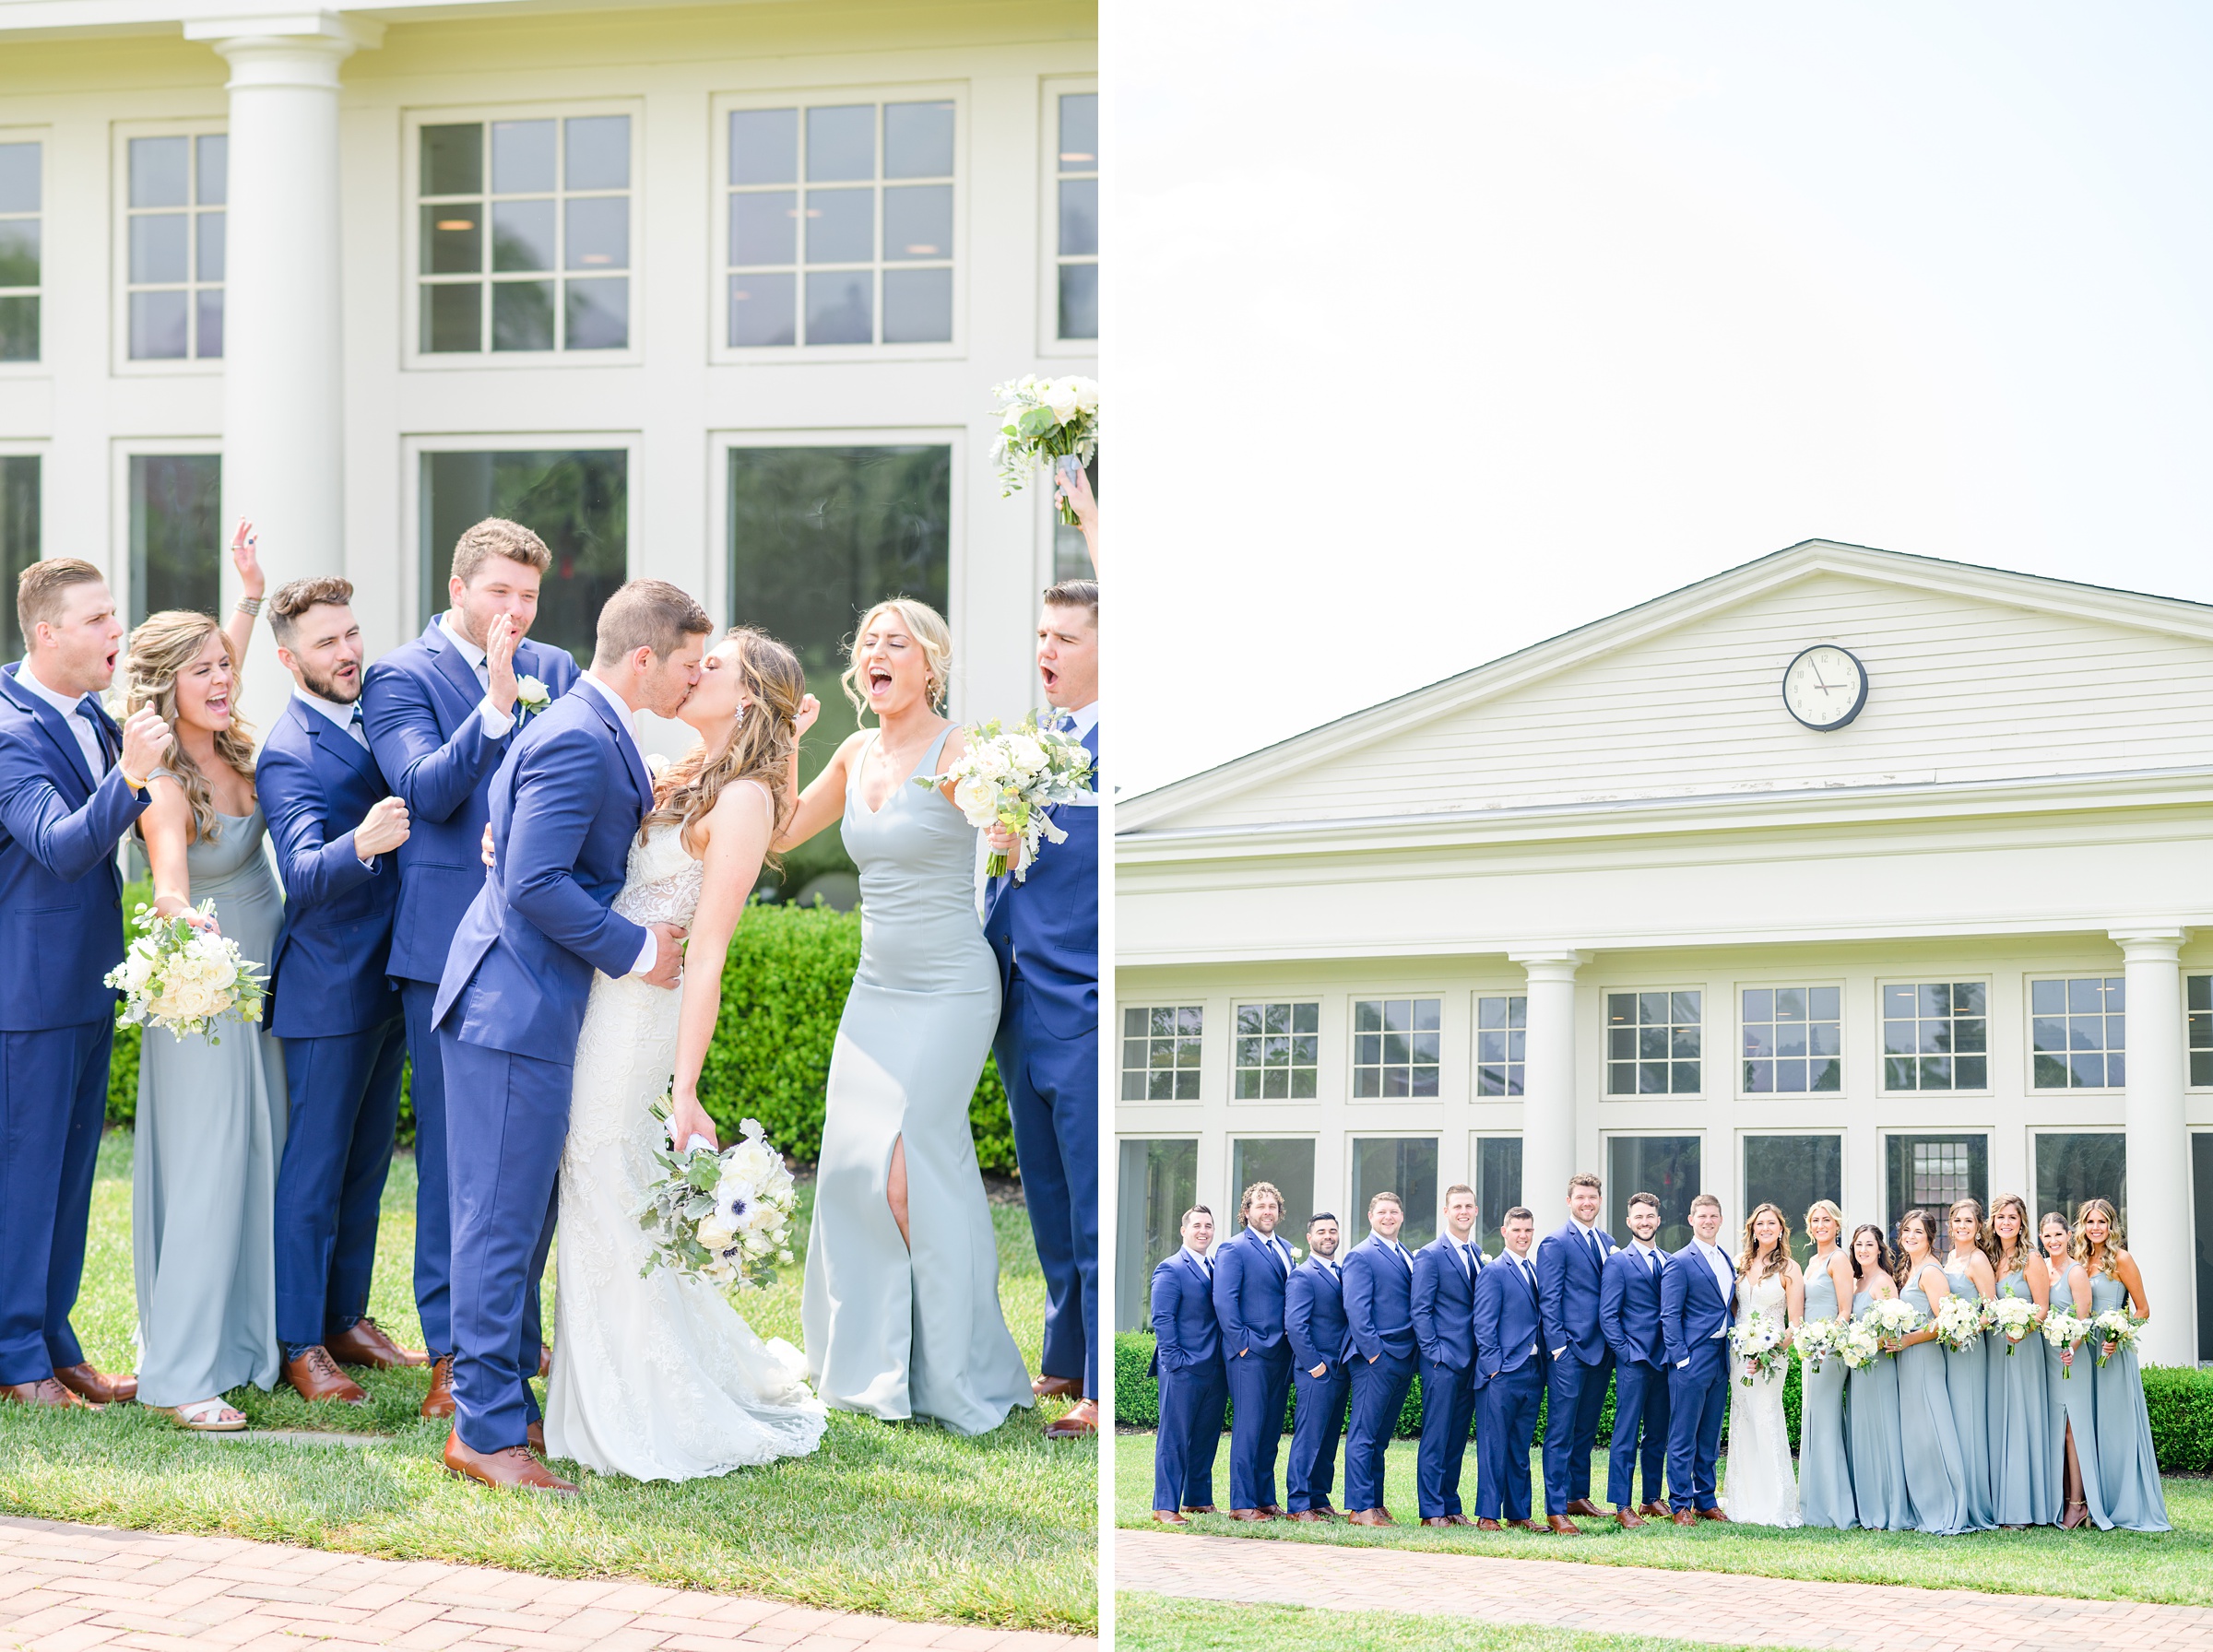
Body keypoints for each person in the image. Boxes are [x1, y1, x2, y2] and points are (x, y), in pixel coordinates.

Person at [533, 627, 829, 1481]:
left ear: (744, 697)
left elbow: (710, 949)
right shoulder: (676, 770)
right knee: (595, 1177)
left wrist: (687, 1087)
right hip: (602, 993)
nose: (694, 671)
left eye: (715, 667)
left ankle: (636, 1402)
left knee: (606, 1170)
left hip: (642, 1021)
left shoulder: (740, 800)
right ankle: (597, 1386)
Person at [432, 580, 703, 1493]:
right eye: (689, 663)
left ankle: (505, 1409)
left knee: (521, 1220)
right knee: (497, 1226)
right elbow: (534, 883)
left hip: (533, 1010)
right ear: (643, 659)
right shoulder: (581, 738)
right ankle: (483, 1432)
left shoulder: (592, 730)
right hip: (511, 1010)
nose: (695, 678)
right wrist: (638, 950)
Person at [780, 598, 1031, 1434]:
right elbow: (778, 831)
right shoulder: (853, 753)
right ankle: (868, 1365)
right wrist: (785, 741)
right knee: (854, 1170)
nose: (876, 653)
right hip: (875, 989)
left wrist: (1005, 828)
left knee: (910, 1167)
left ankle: (952, 1369)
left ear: (931, 664)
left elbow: (1009, 841)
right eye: (868, 644)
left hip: (952, 986)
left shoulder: (963, 752)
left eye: (896, 643)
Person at [361, 518, 580, 1420]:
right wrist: (494, 703)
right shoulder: (400, 677)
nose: (515, 612)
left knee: (537, 1163)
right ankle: (454, 1353)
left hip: (546, 946)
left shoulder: (561, 670)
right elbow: (425, 791)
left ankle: (515, 1345)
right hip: (446, 952)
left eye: (528, 596)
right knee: (462, 1164)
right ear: (458, 588)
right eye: (500, 593)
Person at [128, 526, 287, 1432]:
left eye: (226, 667)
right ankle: (185, 1373)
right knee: (206, 1166)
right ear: (166, 690)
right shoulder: (164, 784)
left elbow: (226, 656)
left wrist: (251, 596)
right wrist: (187, 922)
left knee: (255, 1158)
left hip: (266, 981)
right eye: (203, 674)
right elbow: (170, 884)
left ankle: (240, 1345)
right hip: (205, 990)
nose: (223, 681)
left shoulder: (235, 743)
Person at [0, 559, 169, 1410]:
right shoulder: (5, 730)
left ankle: (54, 1340)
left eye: (114, 615)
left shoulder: (90, 715)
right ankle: (14, 1360)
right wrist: (130, 774)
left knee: (68, 1176)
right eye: (99, 620)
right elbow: (62, 846)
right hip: (25, 998)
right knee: (24, 1179)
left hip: (87, 985)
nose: (116, 631)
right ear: (47, 634)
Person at [257, 577, 421, 1404]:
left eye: (352, 633)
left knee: (366, 1168)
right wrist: (360, 842)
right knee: (314, 1174)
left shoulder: (385, 712)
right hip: (327, 993)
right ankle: (297, 1343)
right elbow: (300, 874)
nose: (349, 651)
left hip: (392, 979)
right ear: (290, 658)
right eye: (327, 643)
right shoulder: (287, 751)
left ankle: (345, 1320)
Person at [983, 580, 1098, 1439]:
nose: (1044, 651)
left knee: (1093, 1198)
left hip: (1087, 1000)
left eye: (1063, 636)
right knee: (1048, 1190)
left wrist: (1089, 509)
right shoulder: (1041, 742)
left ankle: (1101, 1384)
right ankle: (1064, 1357)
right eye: (1040, 635)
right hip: (1020, 998)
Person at [2075, 1198, 2170, 1531]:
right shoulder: (2078, 1259)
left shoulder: (2122, 1259)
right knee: (2088, 1424)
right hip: (2083, 1346)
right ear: (2082, 1226)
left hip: (2113, 1350)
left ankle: (2125, 1503)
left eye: (2102, 1222)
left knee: (2115, 1427)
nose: (2096, 1228)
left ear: (2112, 1225)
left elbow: (2142, 1309)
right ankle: (2091, 1501)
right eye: (2090, 1222)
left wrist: (2119, 1332)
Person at [1886, 1209, 1980, 1533]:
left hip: (1923, 1357)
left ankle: (1946, 1504)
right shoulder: (1909, 1269)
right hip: (1907, 1358)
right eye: (1906, 1231)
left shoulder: (1930, 1271)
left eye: (1918, 1232)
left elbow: (1944, 1321)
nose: (1910, 1236)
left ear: (1929, 1238)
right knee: (1916, 1435)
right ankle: (1923, 1502)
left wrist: (1909, 1340)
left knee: (1932, 1432)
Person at [1534, 1172, 1615, 1531]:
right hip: (1568, 1353)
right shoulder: (1555, 1243)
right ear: (1569, 1201)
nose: (1587, 1202)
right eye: (1580, 1197)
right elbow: (1549, 1301)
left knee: (1585, 1430)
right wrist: (1558, 1348)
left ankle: (1577, 1496)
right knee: (1561, 1431)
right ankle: (1555, 1508)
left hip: (1601, 1352)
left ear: (1600, 1200)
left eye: (1593, 1197)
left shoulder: (1608, 1240)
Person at [1213, 1180, 1295, 1519]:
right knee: (1248, 1428)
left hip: (1282, 1353)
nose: (1267, 1211)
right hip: (1250, 1354)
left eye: (1272, 1206)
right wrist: (1243, 1345)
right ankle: (1242, 1504)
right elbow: (1224, 1301)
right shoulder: (1234, 1249)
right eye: (1260, 1206)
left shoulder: (1286, 1247)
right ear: (1246, 1212)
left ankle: (1265, 1498)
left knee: (1271, 1429)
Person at [1339, 1191, 1418, 1527]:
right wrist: (1374, 1353)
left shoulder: (1406, 1254)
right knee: (1364, 1433)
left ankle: (1375, 1502)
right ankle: (1359, 1507)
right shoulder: (1361, 1255)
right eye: (1382, 1212)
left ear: (1402, 1217)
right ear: (1370, 1216)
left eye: (1394, 1212)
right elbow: (1356, 1309)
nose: (1389, 1217)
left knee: (1381, 1437)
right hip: (1375, 1357)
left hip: (1402, 1356)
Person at [1722, 1202, 1801, 1527]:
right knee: (1743, 1419)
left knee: (1766, 1417)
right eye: (1759, 1224)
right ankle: (1743, 1499)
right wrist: (1746, 1349)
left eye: (1771, 1223)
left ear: (1781, 1229)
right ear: (1752, 1230)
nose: (1765, 1228)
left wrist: (1767, 1353)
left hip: (1772, 1358)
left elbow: (1795, 1323)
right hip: (1739, 1355)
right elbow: (1734, 1311)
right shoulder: (1739, 1264)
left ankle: (1776, 1502)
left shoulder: (1790, 1269)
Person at [1659, 1192, 1734, 1525]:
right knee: (1683, 1435)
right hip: (1692, 1358)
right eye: (1701, 1216)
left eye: (1713, 1216)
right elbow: (1669, 1315)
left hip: (1720, 1357)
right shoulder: (1680, 1261)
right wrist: (1681, 1359)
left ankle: (1706, 1499)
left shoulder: (1727, 1259)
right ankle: (1679, 1504)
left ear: (1720, 1219)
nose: (1708, 1221)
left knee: (1710, 1436)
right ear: (1691, 1220)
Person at [1597, 1190, 1670, 1527]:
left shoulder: (1670, 1261)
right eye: (1638, 1217)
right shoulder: (1618, 1262)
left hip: (1665, 1360)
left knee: (1657, 1433)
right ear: (1629, 1222)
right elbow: (1608, 1316)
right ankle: (1622, 1504)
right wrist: (1627, 1354)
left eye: (1650, 1216)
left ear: (1658, 1219)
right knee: (1625, 1433)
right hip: (1634, 1360)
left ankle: (1651, 1498)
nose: (1644, 1222)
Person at [1410, 1183, 1482, 1527]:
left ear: (1476, 1211)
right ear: (1446, 1211)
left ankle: (1451, 1506)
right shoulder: (1430, 1254)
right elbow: (1420, 1310)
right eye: (1457, 1207)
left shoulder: (1477, 1252)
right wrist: (1435, 1353)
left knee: (1456, 1439)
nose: (1464, 1212)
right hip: (1443, 1361)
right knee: (1436, 1437)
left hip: (1472, 1363)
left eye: (1469, 1206)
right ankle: (1431, 1511)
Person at [1471, 1205, 1545, 1531]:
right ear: (1504, 1232)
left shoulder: (1535, 1270)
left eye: (1528, 1230)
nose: (1523, 1236)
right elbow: (1483, 1324)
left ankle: (1518, 1514)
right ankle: (1487, 1515)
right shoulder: (1494, 1271)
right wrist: (1494, 1369)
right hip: (1501, 1375)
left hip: (1532, 1370)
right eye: (1517, 1230)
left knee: (1519, 1447)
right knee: (1493, 1447)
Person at [1150, 1206, 1226, 1523]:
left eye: (1208, 1226)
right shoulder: (1170, 1269)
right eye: (1197, 1225)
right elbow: (1162, 1318)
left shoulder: (1217, 1266)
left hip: (1215, 1368)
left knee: (1206, 1437)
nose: (1203, 1231)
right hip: (1182, 1369)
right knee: (1174, 1438)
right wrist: (1174, 1362)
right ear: (1184, 1230)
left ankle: (1197, 1499)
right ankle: (1165, 1506)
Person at [1986, 1194, 2053, 1528]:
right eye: (2000, 1217)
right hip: (1995, 1348)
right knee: (1999, 1418)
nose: (2005, 1223)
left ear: (2021, 1222)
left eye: (2012, 1217)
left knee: (2021, 1417)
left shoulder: (2032, 1258)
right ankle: (1999, 1502)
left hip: (2023, 1346)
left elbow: (2042, 1307)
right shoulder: (1990, 1256)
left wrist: (2021, 1327)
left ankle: (2024, 1507)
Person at [2041, 1210, 2106, 1529]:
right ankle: (2060, 1497)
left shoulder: (2075, 1272)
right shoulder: (2043, 1271)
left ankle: (2078, 1504)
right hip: (2046, 1359)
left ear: (2069, 1236)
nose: (2053, 1240)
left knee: (2072, 1430)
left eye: (2058, 1234)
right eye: (2047, 1235)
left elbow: (2085, 1319)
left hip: (2070, 1359)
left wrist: (2072, 1348)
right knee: (2055, 1429)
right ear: (2041, 1239)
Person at [1283, 1212, 1350, 1520]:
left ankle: (1319, 1497)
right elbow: (1295, 1326)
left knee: (1328, 1439)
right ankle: (1298, 1504)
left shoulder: (1342, 1271)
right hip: (1317, 1372)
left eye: (1333, 1231)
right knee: (1309, 1438)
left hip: (1340, 1370)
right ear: (1310, 1238)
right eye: (1321, 1231)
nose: (1328, 1236)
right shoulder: (1303, 1275)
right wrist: (1315, 1366)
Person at [1795, 1199, 1857, 1529]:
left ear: (1837, 1225)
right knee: (1814, 1421)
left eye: (1826, 1220)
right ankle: (1814, 1502)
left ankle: (1835, 1507)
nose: (1820, 1225)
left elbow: (1844, 1311)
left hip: (1830, 1353)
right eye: (1815, 1220)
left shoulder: (1839, 1259)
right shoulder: (1812, 1262)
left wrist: (1825, 1342)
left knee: (1827, 1421)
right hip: (1811, 1351)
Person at [1845, 1223, 1911, 1530]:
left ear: (1880, 1248)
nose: (1863, 1250)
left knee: (1882, 1434)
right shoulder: (1856, 1281)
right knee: (1862, 1434)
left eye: (1869, 1244)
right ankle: (1866, 1506)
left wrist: (1870, 1342)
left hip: (1879, 1367)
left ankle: (1888, 1507)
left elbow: (1893, 1328)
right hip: (1859, 1369)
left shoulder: (1884, 1282)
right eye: (1859, 1244)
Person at [1940, 1198, 1999, 1529]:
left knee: (1969, 1419)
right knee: (1954, 1422)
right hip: (1948, 1348)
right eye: (1957, 1221)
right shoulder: (1951, 1258)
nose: (1962, 1226)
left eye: (1968, 1221)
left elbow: (1990, 1310)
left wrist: (1965, 1331)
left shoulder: (1978, 1260)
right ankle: (1955, 1492)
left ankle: (1974, 1502)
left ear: (1979, 1227)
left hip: (1970, 1349)